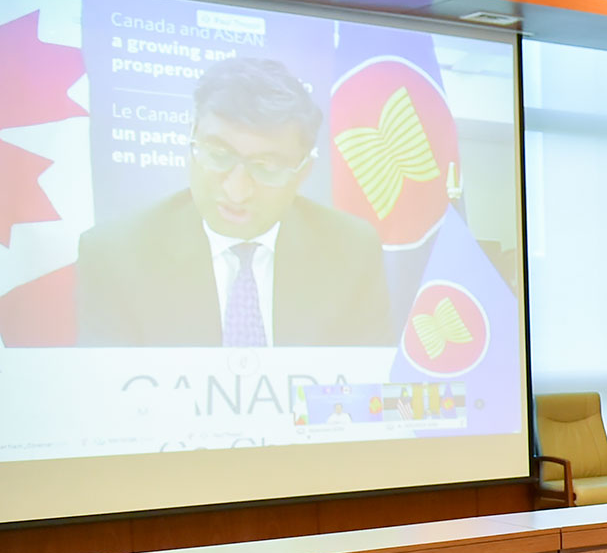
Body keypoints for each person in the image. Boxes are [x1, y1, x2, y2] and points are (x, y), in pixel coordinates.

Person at [75, 57, 389, 348]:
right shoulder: (114, 256)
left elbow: (364, 381)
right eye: (218, 155)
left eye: (266, 167)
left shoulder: (351, 249)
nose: (236, 192)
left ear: (303, 171)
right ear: (192, 139)